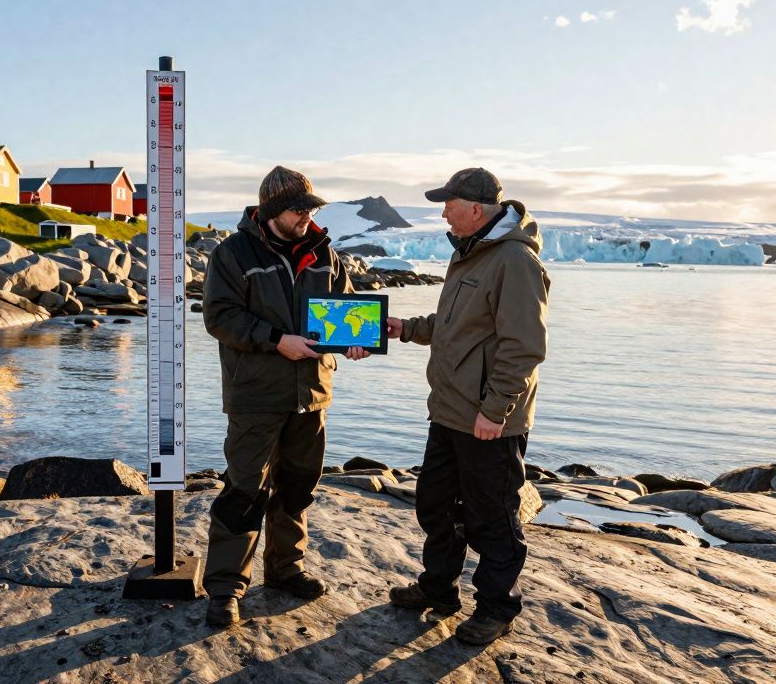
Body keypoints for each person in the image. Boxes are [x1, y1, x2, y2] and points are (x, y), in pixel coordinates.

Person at [385, 167, 550, 645]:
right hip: (451, 411)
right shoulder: (472, 255)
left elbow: (524, 346)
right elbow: (459, 325)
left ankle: (498, 607)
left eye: (449, 206)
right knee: (436, 505)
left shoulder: (514, 260)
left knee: (492, 516)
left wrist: (495, 411)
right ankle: (439, 588)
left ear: (476, 209)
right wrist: (408, 327)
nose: (443, 214)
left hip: (487, 420)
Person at [201, 165, 368, 627]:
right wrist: (277, 339)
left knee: (297, 487)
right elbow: (219, 317)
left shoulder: (323, 253)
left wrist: (354, 338)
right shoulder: (233, 254)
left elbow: (345, 306)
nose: (307, 217)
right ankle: (226, 586)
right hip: (255, 394)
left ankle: (284, 570)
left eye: (311, 208)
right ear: (273, 212)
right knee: (245, 490)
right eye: (299, 209)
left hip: (312, 392)